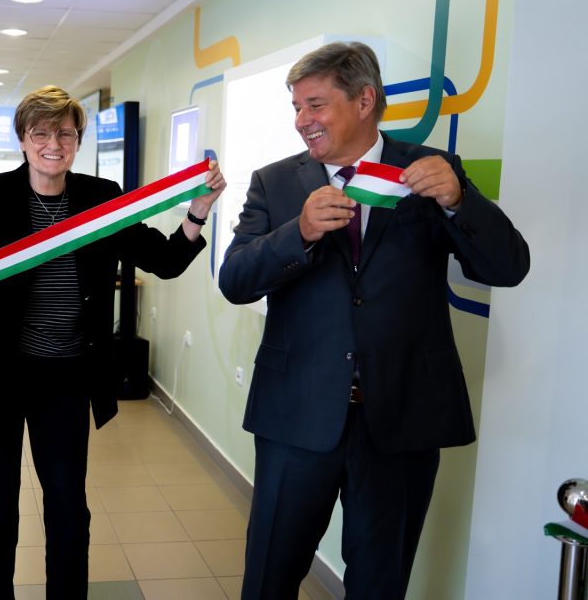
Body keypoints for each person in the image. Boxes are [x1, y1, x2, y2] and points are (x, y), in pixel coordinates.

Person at [218, 41, 530, 599]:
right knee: (268, 578)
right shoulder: (275, 182)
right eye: (296, 107)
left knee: (381, 585)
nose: (302, 121)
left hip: (402, 418)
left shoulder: (431, 170)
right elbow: (235, 280)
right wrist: (298, 233)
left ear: (365, 100)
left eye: (315, 104)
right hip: (296, 416)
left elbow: (507, 268)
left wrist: (460, 201)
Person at [0, 85, 226, 599]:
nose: (53, 144)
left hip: (65, 376)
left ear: (78, 140)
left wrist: (199, 210)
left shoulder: (103, 198)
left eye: (65, 133)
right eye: (40, 133)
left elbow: (165, 260)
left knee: (67, 507)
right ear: (22, 139)